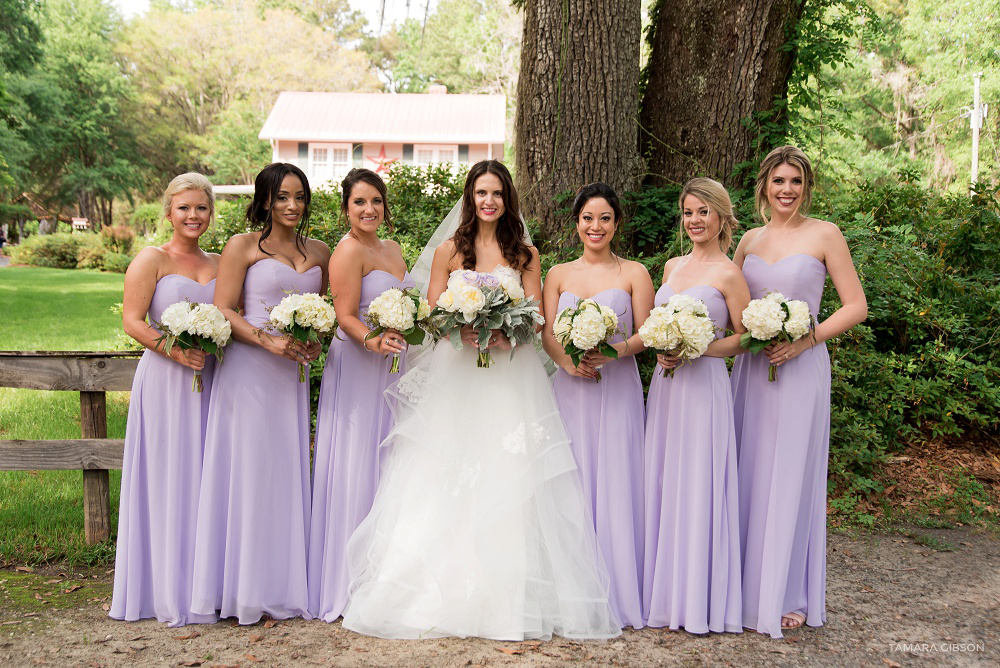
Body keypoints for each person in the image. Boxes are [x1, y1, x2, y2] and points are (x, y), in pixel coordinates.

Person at [341, 160, 621, 640]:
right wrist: (461, 327)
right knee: (447, 472)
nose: (488, 201)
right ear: (469, 197)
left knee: (510, 473)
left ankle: (509, 602)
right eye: (480, 192)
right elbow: (431, 310)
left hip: (511, 379)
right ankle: (441, 593)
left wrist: (507, 336)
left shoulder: (525, 253)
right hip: (458, 375)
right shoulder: (452, 249)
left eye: (496, 193)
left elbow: (535, 317)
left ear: (507, 198)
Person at [731, 146, 867, 637]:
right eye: (778, 181)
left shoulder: (825, 234)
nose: (786, 190)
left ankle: (789, 593)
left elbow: (856, 305)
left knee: (789, 472)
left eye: (795, 181)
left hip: (801, 367)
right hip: (751, 369)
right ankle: (744, 586)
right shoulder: (747, 239)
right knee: (748, 470)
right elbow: (730, 302)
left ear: (806, 186)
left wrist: (805, 339)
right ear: (763, 186)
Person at [190, 163, 330, 625]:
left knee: (284, 472)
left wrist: (310, 341)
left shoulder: (322, 252)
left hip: (290, 375)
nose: (292, 206)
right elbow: (223, 308)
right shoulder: (243, 247)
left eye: (300, 197)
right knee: (249, 472)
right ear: (265, 200)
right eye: (282, 197)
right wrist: (266, 339)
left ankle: (283, 585)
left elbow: (319, 313)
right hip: (249, 372)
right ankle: (243, 589)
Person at [110, 173, 220, 627]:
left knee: (206, 475)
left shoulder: (219, 262)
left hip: (212, 379)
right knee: (169, 473)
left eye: (202, 208)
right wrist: (175, 350)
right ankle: (163, 588)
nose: (193, 216)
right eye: (184, 208)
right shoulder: (151, 259)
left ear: (211, 213)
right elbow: (134, 322)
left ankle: (204, 585)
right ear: (168, 212)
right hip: (165, 379)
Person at [541, 183, 653, 629]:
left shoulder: (635, 273)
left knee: (615, 478)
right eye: (588, 218)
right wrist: (567, 363)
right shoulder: (558, 274)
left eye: (604, 218)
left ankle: (620, 592)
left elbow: (647, 333)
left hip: (616, 388)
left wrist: (616, 351)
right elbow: (547, 332)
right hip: (570, 389)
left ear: (617, 223)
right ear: (577, 223)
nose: (596, 226)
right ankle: (567, 592)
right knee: (570, 477)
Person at [642, 177, 749, 634]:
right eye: (688, 212)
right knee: (666, 478)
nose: (694, 221)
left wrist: (699, 348)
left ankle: (699, 596)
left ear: (722, 216)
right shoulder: (670, 267)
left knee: (698, 481)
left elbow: (747, 339)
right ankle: (664, 593)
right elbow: (652, 323)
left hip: (704, 386)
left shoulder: (729, 273)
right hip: (667, 387)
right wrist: (662, 344)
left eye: (703, 211)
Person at [308, 168, 414, 622]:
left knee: (392, 458)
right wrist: (373, 339)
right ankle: (347, 581)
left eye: (376, 201)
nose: (369, 209)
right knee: (358, 458)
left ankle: (388, 574)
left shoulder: (393, 249)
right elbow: (345, 315)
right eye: (359, 202)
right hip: (359, 364)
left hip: (393, 364)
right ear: (346, 208)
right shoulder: (348, 251)